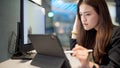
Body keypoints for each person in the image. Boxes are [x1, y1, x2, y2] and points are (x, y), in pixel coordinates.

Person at [70, 0, 120, 68]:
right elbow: (74, 53)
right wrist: (76, 27)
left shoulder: (117, 33)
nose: (83, 19)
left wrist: (88, 64)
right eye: (81, 14)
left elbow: (114, 66)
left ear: (100, 13)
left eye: (88, 14)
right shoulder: (90, 32)